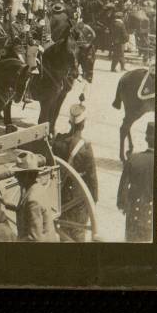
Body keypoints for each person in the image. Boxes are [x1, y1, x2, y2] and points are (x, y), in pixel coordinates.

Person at [51, 103, 99, 241]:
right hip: (78, 200)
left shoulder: (58, 142)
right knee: (78, 235)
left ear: (70, 122)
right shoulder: (85, 148)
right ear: (83, 124)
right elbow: (92, 179)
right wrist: (93, 202)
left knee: (63, 233)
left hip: (61, 196)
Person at [117, 121, 155, 242]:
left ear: (146, 138)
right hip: (151, 217)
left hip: (133, 213)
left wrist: (122, 204)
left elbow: (123, 185)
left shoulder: (134, 158)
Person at [13, 150, 59, 242]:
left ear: (26, 175)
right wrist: (5, 203)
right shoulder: (38, 188)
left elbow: (35, 238)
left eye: (18, 173)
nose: (15, 176)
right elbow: (24, 209)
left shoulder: (32, 200)